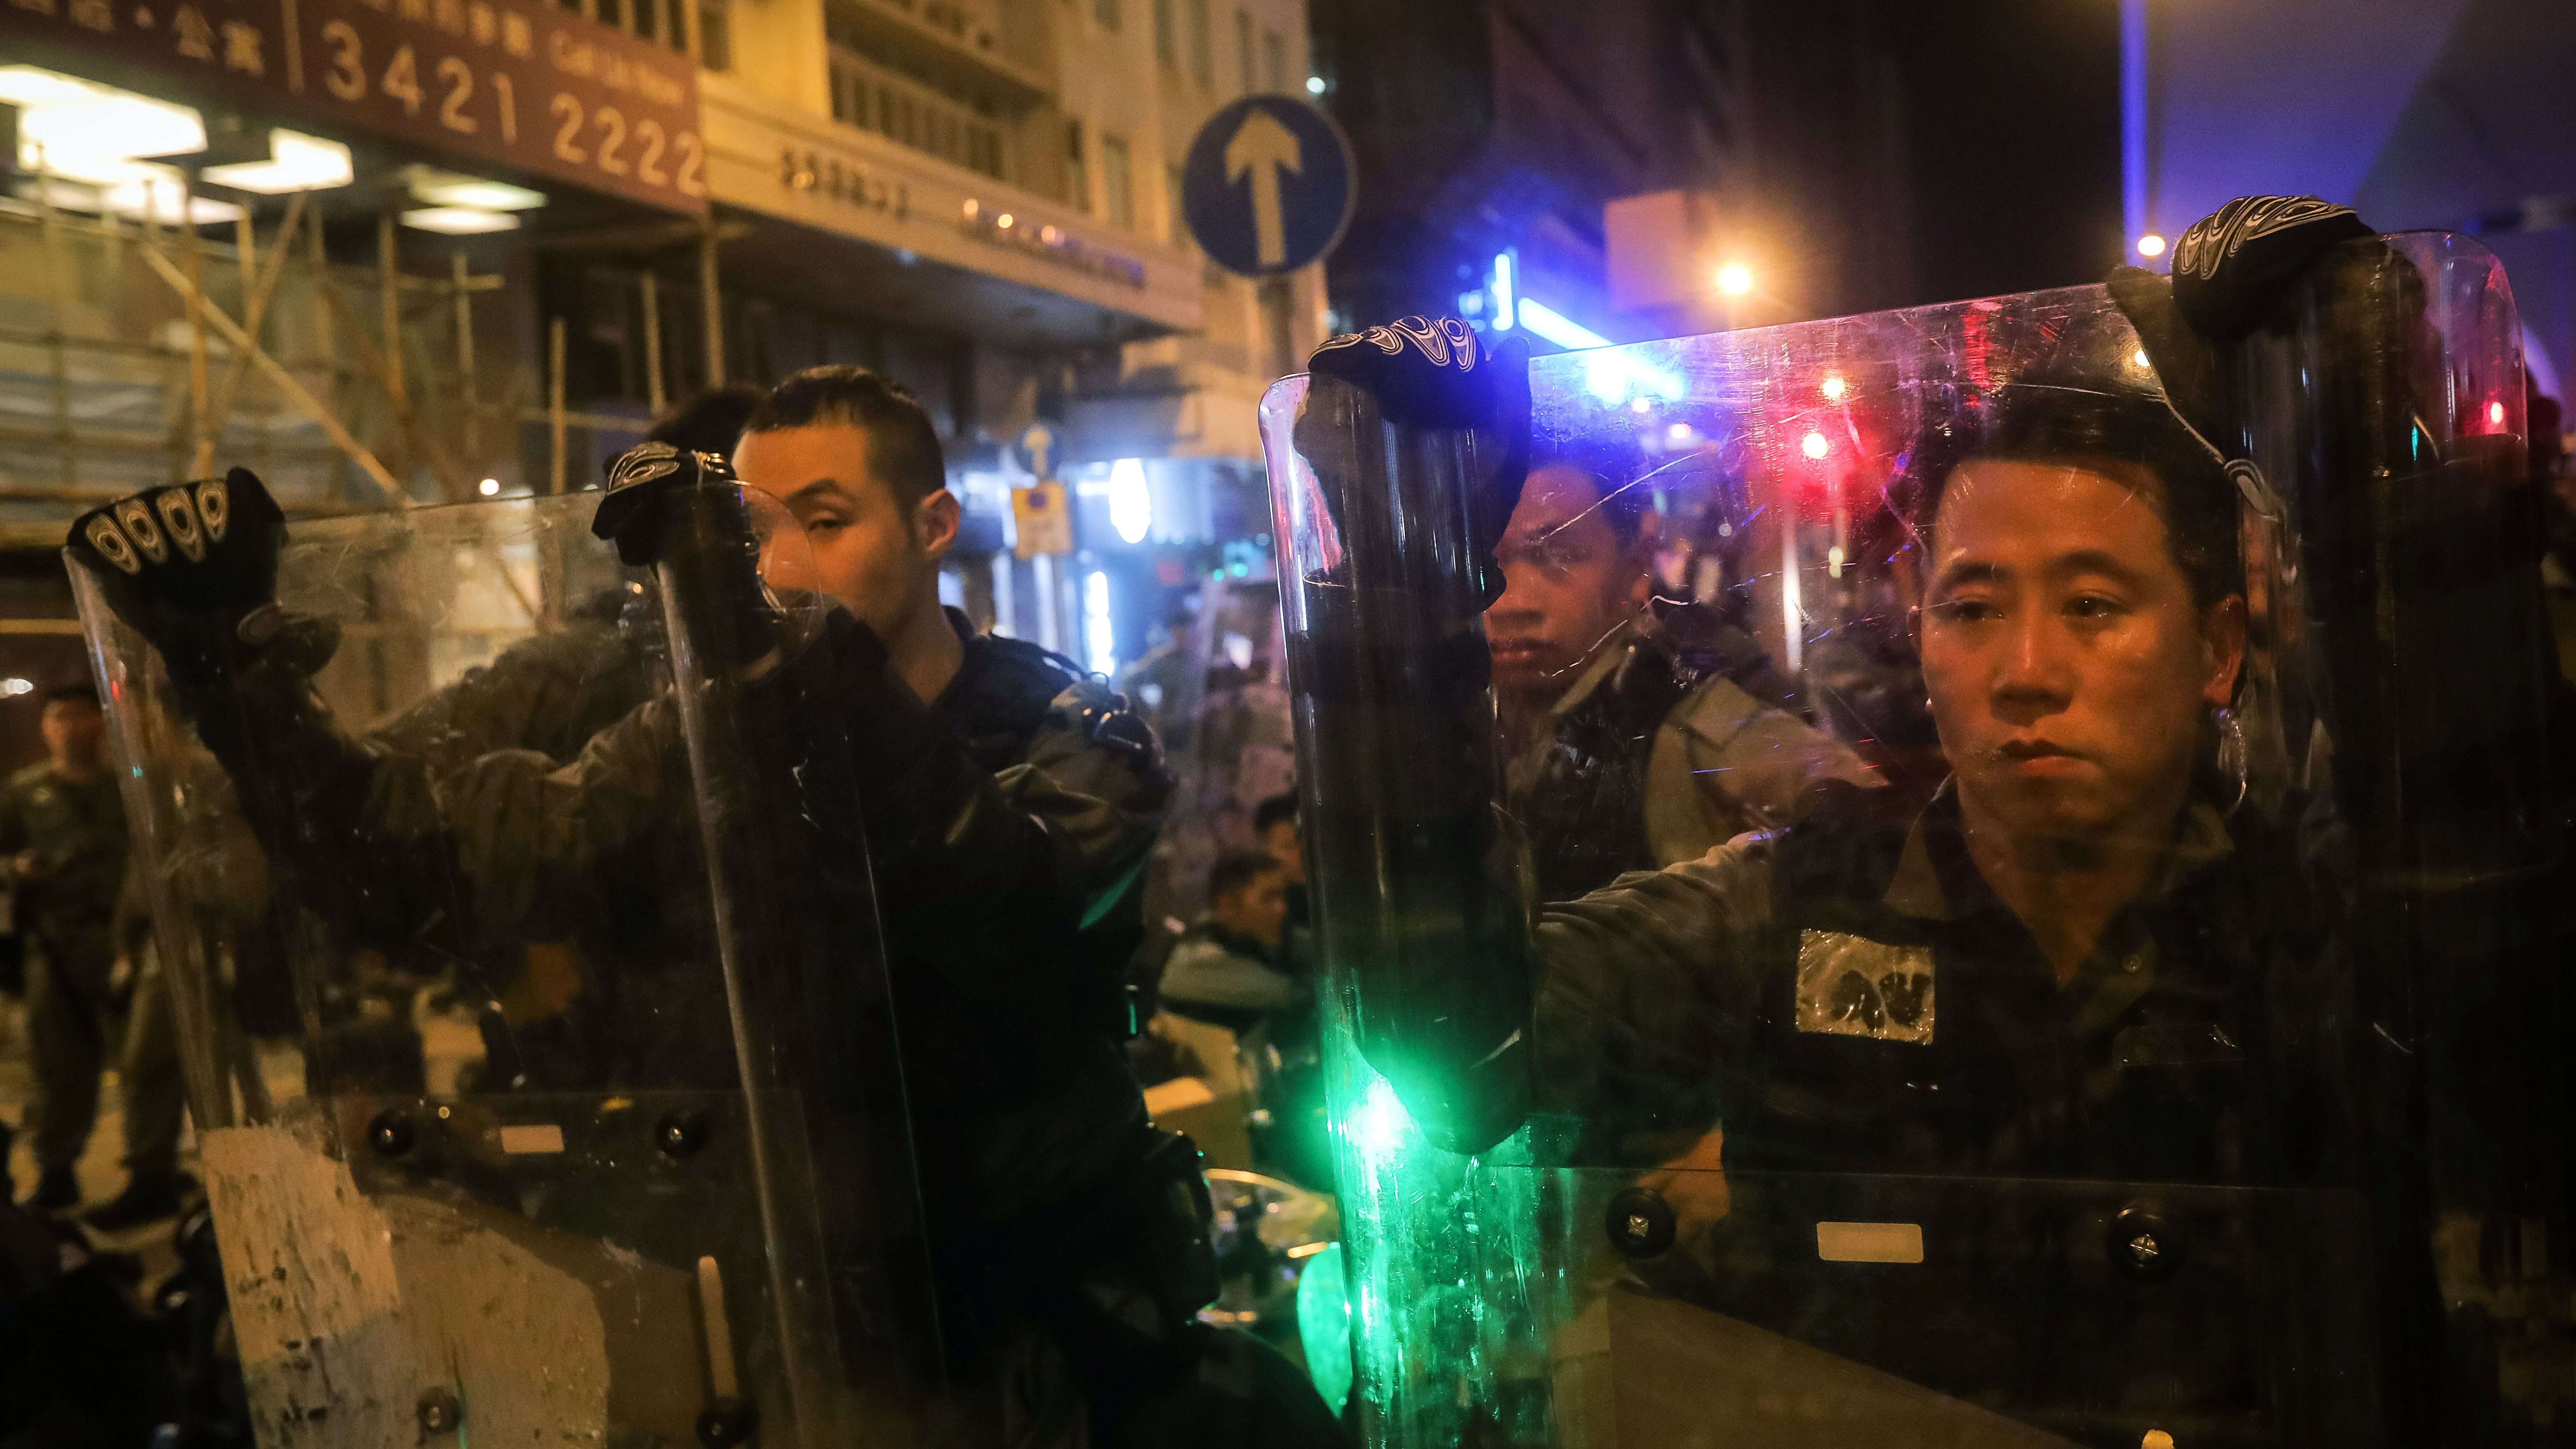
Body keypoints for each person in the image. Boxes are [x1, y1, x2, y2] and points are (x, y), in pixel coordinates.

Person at [70, 368, 1346, 1447]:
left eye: (824, 522)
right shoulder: (692, 730)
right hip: (753, 1336)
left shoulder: (1068, 728)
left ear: (934, 524)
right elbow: (437, 867)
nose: (783, 564)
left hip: (1016, 1345)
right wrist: (231, 682)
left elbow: (994, 915)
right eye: (751, 532)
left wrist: (768, 655)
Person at [1488, 445, 1878, 900]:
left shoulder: (1684, 728)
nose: (1510, 603)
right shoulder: (1466, 723)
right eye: (1490, 564)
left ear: (1635, 562)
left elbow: (1867, 818)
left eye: (1558, 557)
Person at [0, 684, 146, 1215]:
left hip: (124, 942)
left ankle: (149, 1169)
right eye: (59, 717)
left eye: (82, 715)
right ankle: (58, 1169)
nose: (70, 727)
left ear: (100, 723)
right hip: (55, 945)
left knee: (143, 1064)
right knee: (59, 1064)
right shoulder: (22, 792)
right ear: (45, 728)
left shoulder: (126, 787)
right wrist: (16, 871)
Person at [1157, 850, 1302, 1032]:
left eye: (1282, 897)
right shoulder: (1197, 958)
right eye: (1268, 898)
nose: (1282, 909)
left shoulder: (1252, 943)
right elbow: (1289, 993)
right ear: (1229, 905)